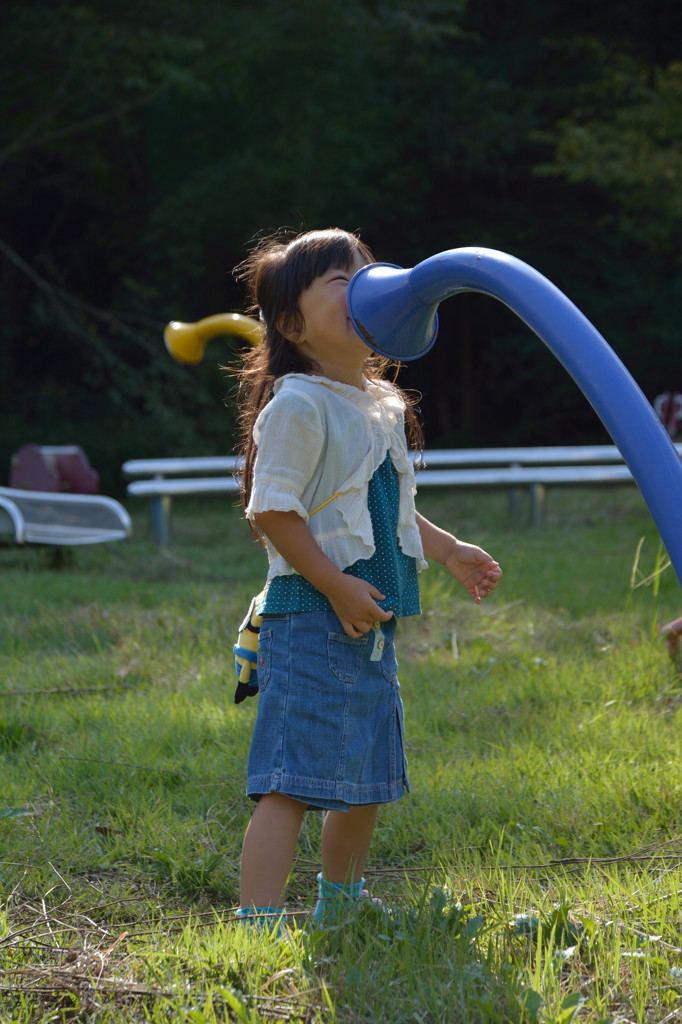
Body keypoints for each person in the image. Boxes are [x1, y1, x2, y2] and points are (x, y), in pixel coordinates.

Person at [231, 227, 502, 932]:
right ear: (294, 324)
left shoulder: (378, 403)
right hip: (311, 617)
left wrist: (445, 550)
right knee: (291, 782)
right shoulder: (299, 403)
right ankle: (257, 921)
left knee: (365, 784)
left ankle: (340, 906)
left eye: (371, 272)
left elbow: (388, 507)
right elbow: (272, 511)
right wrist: (333, 585)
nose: (371, 287)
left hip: (370, 617)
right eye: (342, 280)